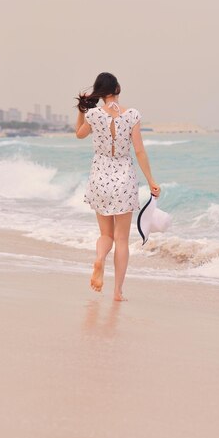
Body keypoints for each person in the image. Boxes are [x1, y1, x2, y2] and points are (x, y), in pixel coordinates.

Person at [75, 71, 161, 302]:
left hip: (99, 177)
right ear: (118, 89)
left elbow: (79, 134)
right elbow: (140, 150)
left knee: (106, 235)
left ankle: (100, 258)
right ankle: (117, 292)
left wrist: (81, 112)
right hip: (123, 177)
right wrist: (151, 180)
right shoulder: (131, 115)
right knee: (122, 239)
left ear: (100, 93)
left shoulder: (93, 115)